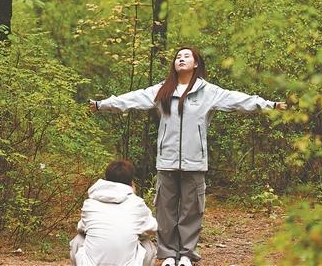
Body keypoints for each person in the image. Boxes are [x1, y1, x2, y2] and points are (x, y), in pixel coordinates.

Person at [90, 47, 286, 266]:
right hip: (167, 162)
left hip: (195, 163)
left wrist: (269, 105)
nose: (181, 59)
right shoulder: (163, 90)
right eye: (178, 57)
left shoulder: (208, 92)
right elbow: (132, 98)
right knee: (165, 211)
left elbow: (239, 100)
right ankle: (168, 255)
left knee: (191, 211)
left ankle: (186, 255)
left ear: (196, 64)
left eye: (186, 56)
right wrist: (102, 104)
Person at [70, 159, 158, 266]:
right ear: (131, 182)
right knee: (148, 245)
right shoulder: (137, 204)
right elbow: (153, 228)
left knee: (79, 239)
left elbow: (81, 227)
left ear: (106, 179)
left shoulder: (90, 203)